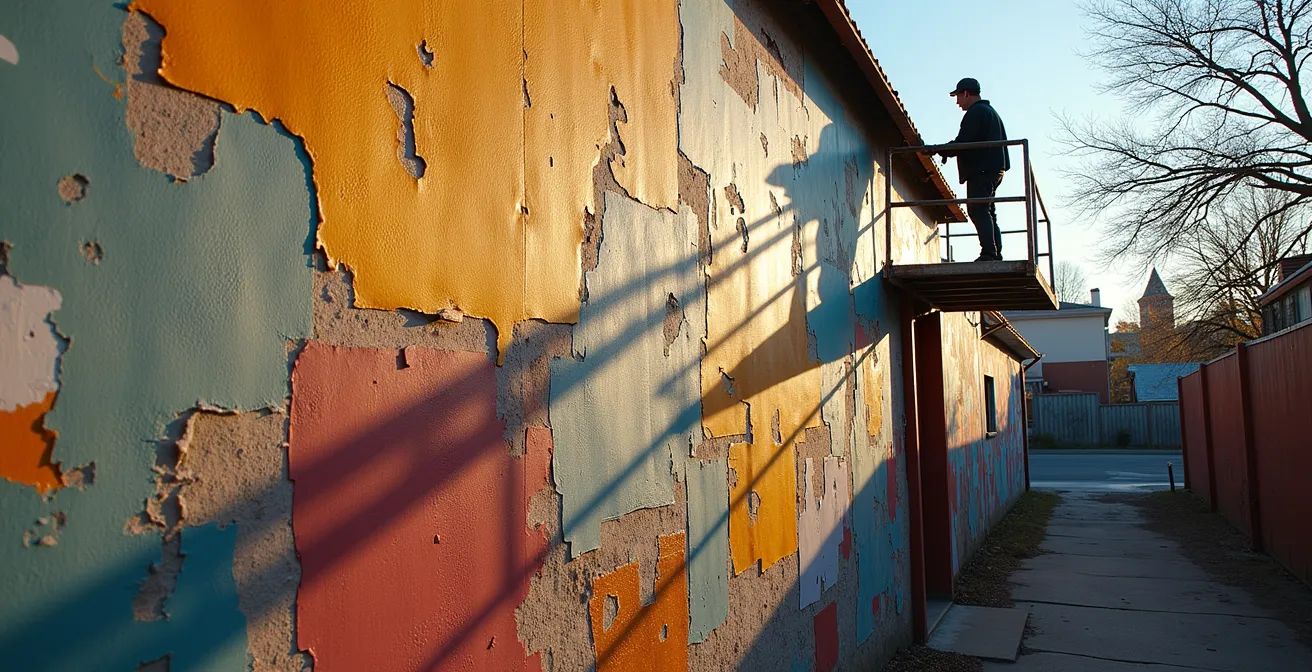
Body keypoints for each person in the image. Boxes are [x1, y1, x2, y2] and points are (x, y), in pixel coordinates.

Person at [935, 77, 1010, 261]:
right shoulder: (989, 112)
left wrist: (940, 149)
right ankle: (995, 252)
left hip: (982, 169)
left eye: (958, 96)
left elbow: (965, 142)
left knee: (977, 209)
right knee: (987, 210)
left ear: (966, 93)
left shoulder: (976, 113)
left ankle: (989, 253)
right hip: (993, 168)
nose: (957, 102)